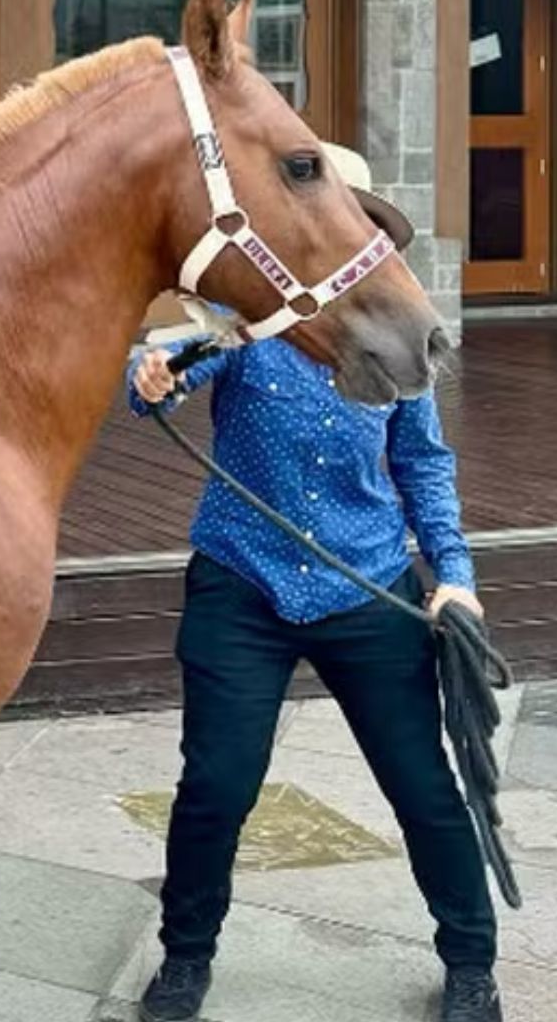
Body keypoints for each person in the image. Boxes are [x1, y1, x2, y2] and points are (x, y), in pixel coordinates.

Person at [127, 171, 500, 1022]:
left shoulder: (398, 350)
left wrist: (457, 581)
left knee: (425, 790)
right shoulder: (253, 322)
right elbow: (165, 368)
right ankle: (186, 958)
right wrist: (150, 374)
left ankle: (472, 965)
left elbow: (424, 467)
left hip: (368, 587)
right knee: (216, 785)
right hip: (242, 583)